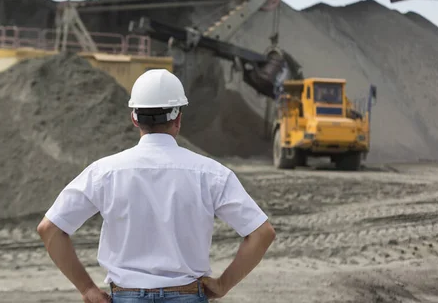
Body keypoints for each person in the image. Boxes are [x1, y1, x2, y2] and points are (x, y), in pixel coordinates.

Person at [37, 69, 276, 302]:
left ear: (134, 117)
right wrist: (223, 285)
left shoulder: (105, 172)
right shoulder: (211, 174)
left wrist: (87, 288)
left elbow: (50, 229)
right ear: (179, 118)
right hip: (187, 295)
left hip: (125, 296)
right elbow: (261, 233)